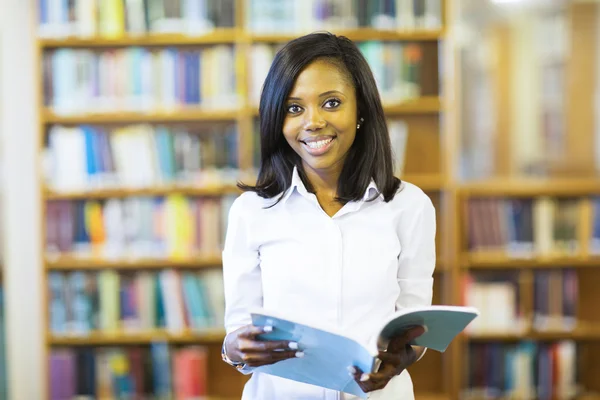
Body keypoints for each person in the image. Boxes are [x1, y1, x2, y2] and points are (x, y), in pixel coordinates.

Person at [220, 31, 436, 400]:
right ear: (277, 118)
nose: (313, 122)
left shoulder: (409, 206)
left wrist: (400, 357)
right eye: (293, 108)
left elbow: (415, 327)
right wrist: (236, 348)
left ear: (361, 110)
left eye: (331, 102)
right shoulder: (252, 212)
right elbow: (239, 330)